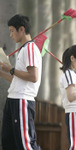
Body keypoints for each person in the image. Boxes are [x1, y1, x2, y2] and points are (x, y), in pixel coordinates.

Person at [0, 15, 41, 150]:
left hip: (22, 101)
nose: (11, 35)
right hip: (13, 99)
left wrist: (11, 69)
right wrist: (2, 72)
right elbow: (18, 79)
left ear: (21, 29)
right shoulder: (24, 50)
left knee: (26, 144)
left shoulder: (30, 48)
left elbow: (33, 76)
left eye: (12, 30)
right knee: (9, 142)